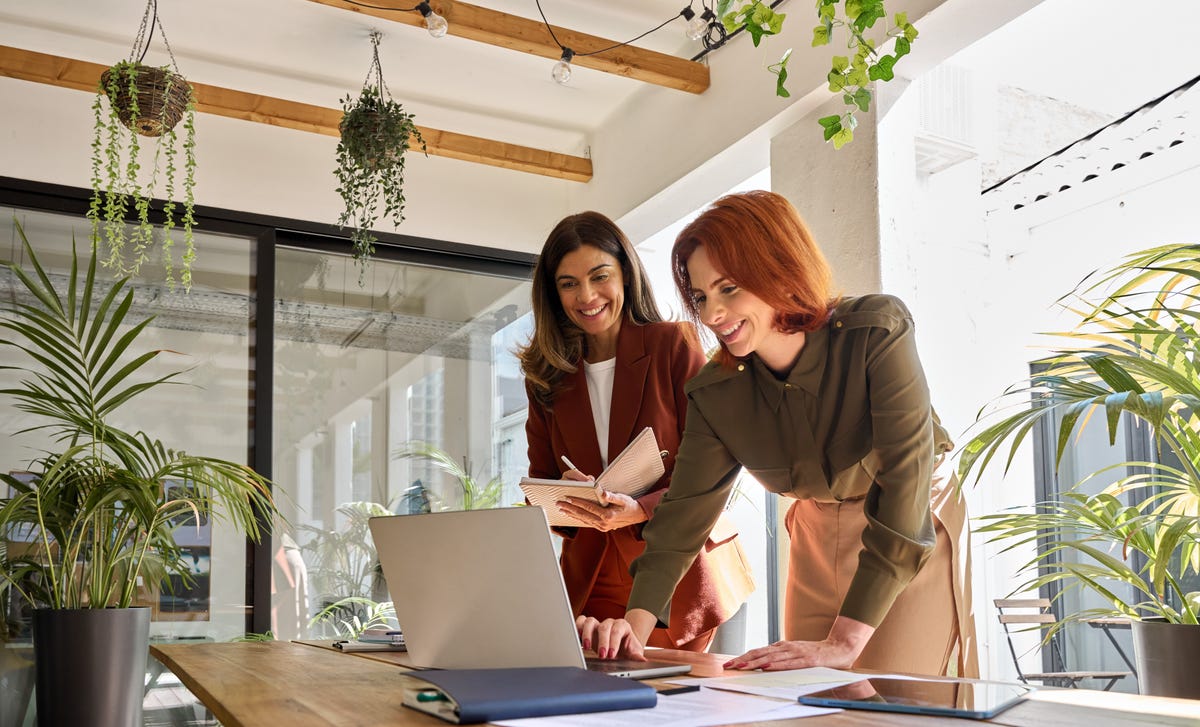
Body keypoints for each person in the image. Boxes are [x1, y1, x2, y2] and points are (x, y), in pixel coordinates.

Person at [577, 191, 977, 676]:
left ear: (778, 269)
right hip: (813, 530)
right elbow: (683, 518)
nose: (711, 314)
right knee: (806, 698)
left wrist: (844, 642)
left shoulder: (875, 334)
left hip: (909, 526)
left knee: (907, 701)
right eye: (701, 297)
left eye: (728, 289)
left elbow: (904, 486)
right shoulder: (716, 392)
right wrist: (632, 631)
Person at [519, 211, 754, 653]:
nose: (586, 296)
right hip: (593, 576)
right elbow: (542, 486)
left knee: (677, 712)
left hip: (681, 569)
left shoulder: (673, 346)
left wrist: (640, 508)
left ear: (625, 273)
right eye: (568, 283)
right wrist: (565, 496)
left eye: (599, 276)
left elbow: (714, 467)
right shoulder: (545, 377)